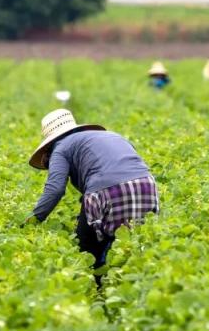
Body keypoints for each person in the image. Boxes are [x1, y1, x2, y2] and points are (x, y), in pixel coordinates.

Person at [21, 109, 159, 286]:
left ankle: (98, 287)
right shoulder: (109, 136)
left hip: (107, 191)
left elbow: (55, 189)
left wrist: (34, 219)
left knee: (86, 248)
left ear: (49, 146)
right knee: (135, 240)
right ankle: (138, 283)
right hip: (146, 184)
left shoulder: (60, 148)